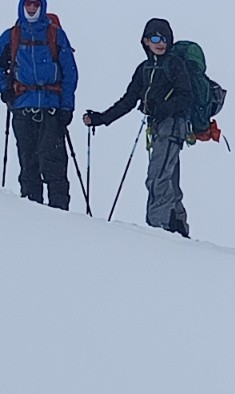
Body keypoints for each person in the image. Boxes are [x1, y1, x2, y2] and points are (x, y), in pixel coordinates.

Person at [82, 18, 197, 237]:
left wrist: (163, 108)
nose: (160, 43)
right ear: (145, 41)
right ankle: (177, 224)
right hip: (160, 128)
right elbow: (128, 100)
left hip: (173, 127)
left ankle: (159, 228)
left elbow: (186, 97)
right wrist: (101, 118)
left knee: (157, 176)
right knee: (167, 177)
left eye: (165, 38)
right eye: (155, 38)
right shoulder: (144, 69)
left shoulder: (175, 64)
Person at [0, 0, 78, 210]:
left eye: (35, 4)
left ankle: (59, 215)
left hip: (51, 110)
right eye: (28, 4)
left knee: (54, 165)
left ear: (42, 6)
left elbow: (70, 72)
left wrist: (66, 107)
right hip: (23, 108)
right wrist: (5, 89)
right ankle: (31, 215)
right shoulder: (12, 35)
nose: (31, 8)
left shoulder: (55, 34)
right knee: (29, 164)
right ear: (22, 6)